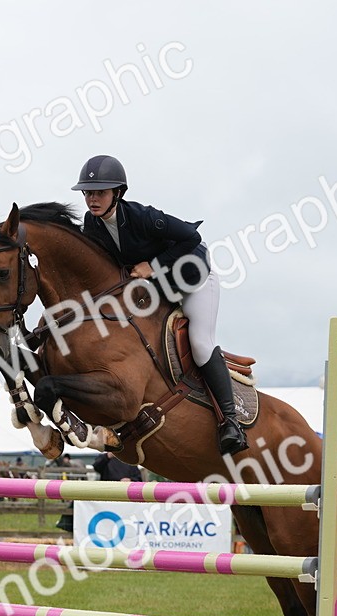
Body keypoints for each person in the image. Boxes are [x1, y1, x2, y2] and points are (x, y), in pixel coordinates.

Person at [72, 154, 247, 456]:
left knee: (201, 343)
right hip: (155, 289)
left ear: (118, 193)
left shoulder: (142, 217)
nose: (92, 199)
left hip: (193, 278)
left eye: (99, 192)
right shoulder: (93, 224)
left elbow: (192, 237)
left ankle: (230, 423)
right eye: (88, 193)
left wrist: (153, 265)